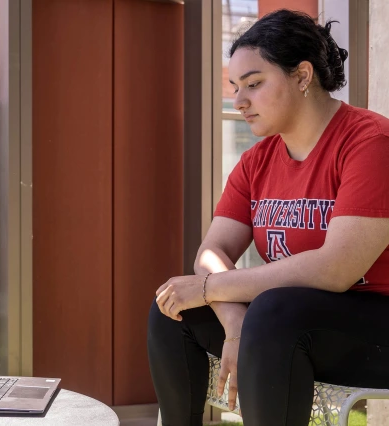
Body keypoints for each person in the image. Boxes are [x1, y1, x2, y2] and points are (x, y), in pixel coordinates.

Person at [148, 9, 389, 426]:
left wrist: (211, 289)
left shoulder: (370, 144)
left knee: (274, 312)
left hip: (375, 324)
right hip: (285, 324)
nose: (240, 101)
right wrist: (233, 317)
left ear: (302, 76)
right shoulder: (257, 160)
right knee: (172, 308)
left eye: (255, 85)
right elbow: (213, 250)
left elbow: (336, 270)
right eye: (236, 87)